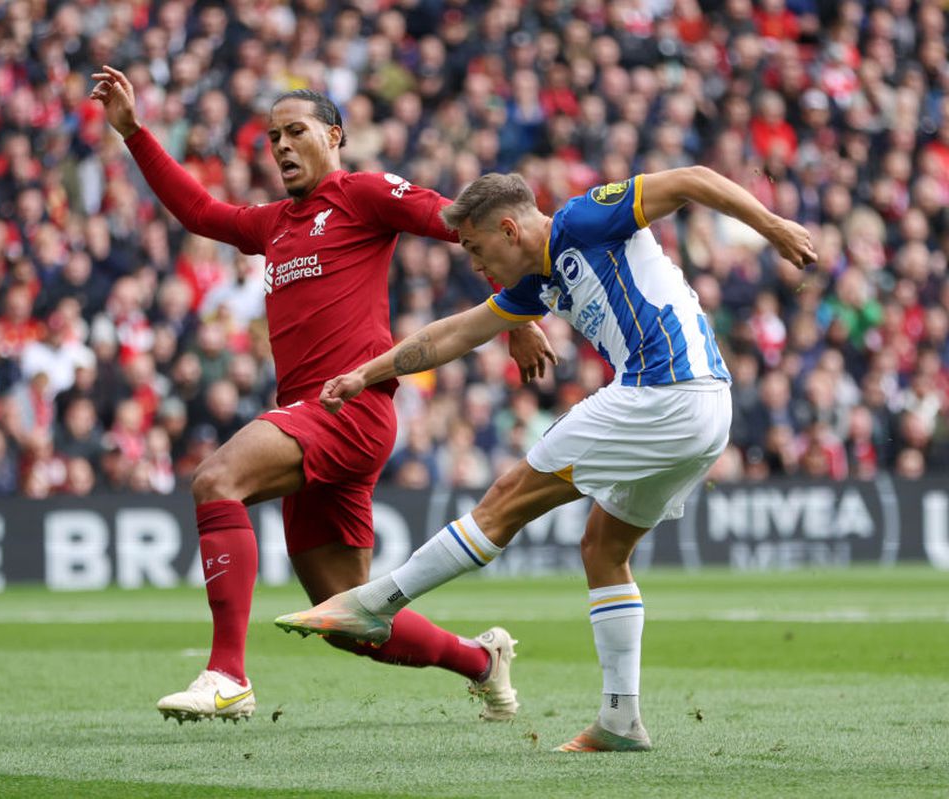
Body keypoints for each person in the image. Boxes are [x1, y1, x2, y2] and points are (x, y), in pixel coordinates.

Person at [275, 168, 817, 751]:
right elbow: (455, 334)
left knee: (504, 503)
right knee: (604, 550)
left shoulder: (587, 219)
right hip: (705, 410)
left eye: (479, 252)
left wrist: (772, 226)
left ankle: (375, 604)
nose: (478, 269)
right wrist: (365, 373)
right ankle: (619, 721)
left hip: (663, 393)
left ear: (509, 229)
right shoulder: (537, 282)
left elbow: (690, 179)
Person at [90, 66, 552, 723]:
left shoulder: (362, 195)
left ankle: (227, 675)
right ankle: (482, 661)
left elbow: (465, 224)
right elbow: (199, 211)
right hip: (312, 415)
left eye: (294, 131)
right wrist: (134, 132)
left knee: (216, 478)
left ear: (333, 135)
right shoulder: (275, 223)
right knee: (347, 617)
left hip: (351, 408)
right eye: (271, 136)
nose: (279, 146)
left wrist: (518, 317)